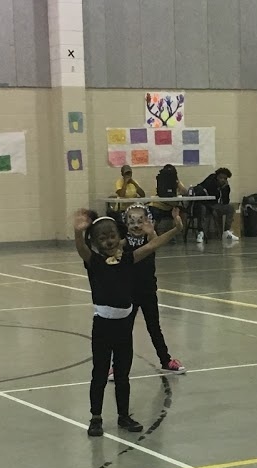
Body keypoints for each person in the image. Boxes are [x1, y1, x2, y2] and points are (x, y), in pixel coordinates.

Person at [74, 207, 182, 437]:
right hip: (103, 326)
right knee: (100, 373)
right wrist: (77, 232)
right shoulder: (94, 262)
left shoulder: (128, 260)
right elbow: (81, 248)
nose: (109, 241)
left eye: (112, 236)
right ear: (95, 241)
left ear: (119, 237)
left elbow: (152, 245)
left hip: (124, 327)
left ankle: (124, 415)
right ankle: (96, 417)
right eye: (102, 238)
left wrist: (176, 229)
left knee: (123, 374)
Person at [124, 205, 185, 374]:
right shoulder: (123, 243)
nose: (136, 225)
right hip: (127, 293)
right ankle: (117, 366)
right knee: (124, 330)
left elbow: (156, 242)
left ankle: (166, 360)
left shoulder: (150, 240)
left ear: (148, 221)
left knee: (154, 327)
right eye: (131, 222)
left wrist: (176, 227)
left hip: (148, 292)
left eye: (140, 221)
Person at [195, 167, 238, 243]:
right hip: (204, 204)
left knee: (230, 208)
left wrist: (225, 189)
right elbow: (201, 191)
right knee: (202, 209)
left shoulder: (225, 186)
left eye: (225, 178)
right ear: (217, 176)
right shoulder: (210, 180)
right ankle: (201, 232)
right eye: (220, 177)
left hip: (215, 205)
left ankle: (226, 231)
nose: (222, 180)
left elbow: (225, 202)